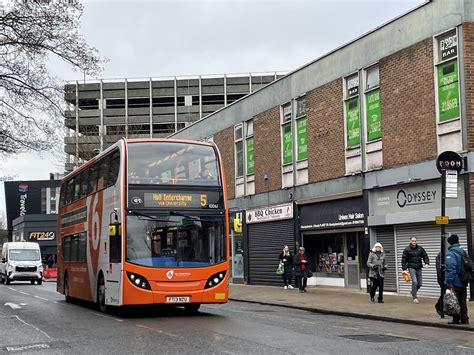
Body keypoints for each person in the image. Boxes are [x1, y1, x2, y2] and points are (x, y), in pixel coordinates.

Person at [445, 234, 469, 325]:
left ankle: (456, 319)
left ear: (450, 243)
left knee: (455, 300)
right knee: (463, 301)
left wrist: (449, 282)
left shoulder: (451, 253)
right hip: (464, 280)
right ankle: (465, 318)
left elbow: (451, 268)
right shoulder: (463, 251)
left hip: (456, 280)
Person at [401, 235, 429, 303]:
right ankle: (415, 297)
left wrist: (426, 263)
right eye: (413, 241)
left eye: (415, 241)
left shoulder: (420, 248)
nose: (414, 242)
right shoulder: (407, 249)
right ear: (410, 241)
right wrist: (404, 269)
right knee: (415, 282)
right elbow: (404, 259)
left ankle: (413, 291)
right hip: (411, 267)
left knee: (420, 284)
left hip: (419, 267)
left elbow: (425, 255)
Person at [435, 252, 447, 318]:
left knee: (445, 293)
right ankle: (439, 306)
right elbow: (438, 269)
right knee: (444, 292)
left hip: (446, 278)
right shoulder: (440, 256)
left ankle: (441, 306)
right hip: (442, 278)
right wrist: (442, 278)